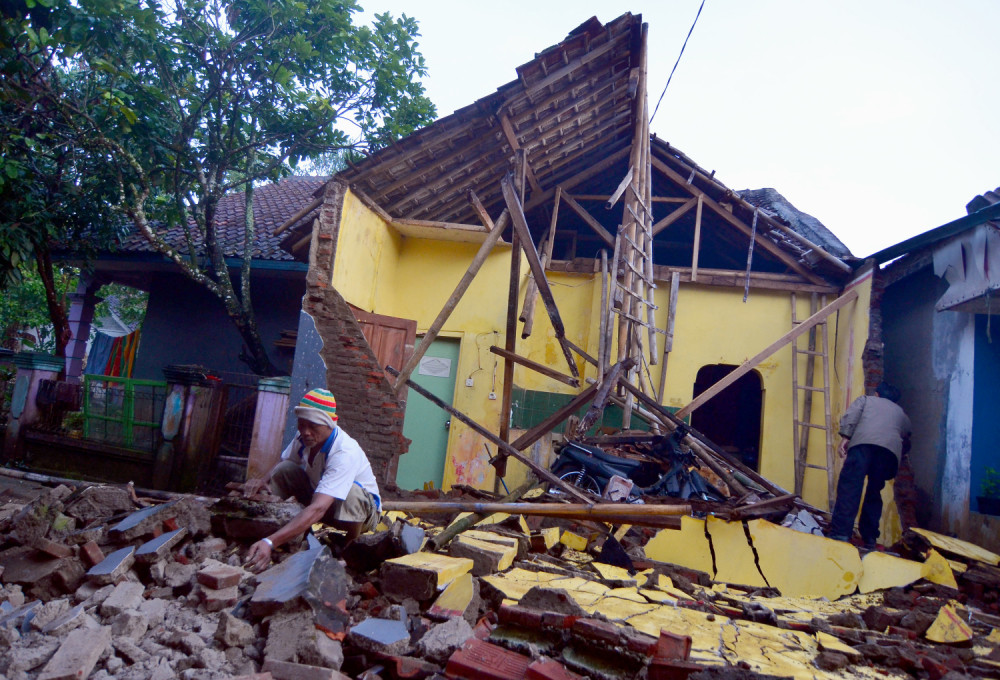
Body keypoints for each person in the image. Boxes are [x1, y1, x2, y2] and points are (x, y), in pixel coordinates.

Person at [244, 389, 381, 571]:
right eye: (302, 425)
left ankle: (349, 550)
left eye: (313, 426)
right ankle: (273, 524)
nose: (306, 432)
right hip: (324, 502)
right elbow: (286, 461)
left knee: (351, 493)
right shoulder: (304, 439)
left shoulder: (344, 452)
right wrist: (262, 480)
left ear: (329, 424)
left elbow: (318, 508)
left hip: (361, 516)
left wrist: (271, 542)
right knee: (285, 469)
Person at [827, 381, 911, 549]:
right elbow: (907, 435)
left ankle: (840, 533)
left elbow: (852, 416)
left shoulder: (866, 400)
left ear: (877, 394)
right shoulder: (901, 413)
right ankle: (870, 537)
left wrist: (845, 436)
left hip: (862, 445)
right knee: (874, 491)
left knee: (851, 487)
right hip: (888, 453)